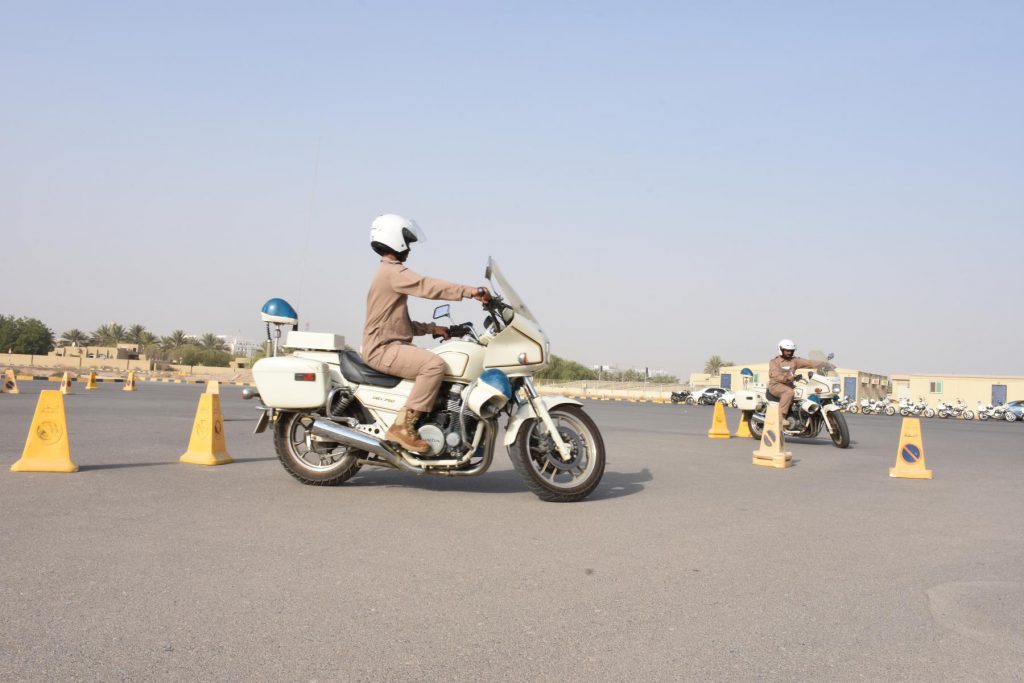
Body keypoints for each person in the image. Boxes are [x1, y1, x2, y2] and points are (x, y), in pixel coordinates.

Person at [362, 213, 490, 453]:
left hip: (388, 345)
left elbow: (398, 322)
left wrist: (432, 328)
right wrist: (469, 291)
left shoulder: (388, 274)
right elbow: (426, 286)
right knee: (433, 365)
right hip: (382, 349)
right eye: (407, 242)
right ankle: (402, 427)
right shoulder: (393, 272)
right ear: (394, 239)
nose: (409, 248)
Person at [768, 339, 827, 428]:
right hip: (776, 385)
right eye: (787, 351)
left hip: (789, 385)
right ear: (781, 350)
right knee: (789, 392)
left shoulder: (794, 360)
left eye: (791, 351)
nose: (789, 353)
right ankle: (781, 417)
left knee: (805, 392)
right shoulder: (774, 362)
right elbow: (775, 375)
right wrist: (787, 378)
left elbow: (809, 363)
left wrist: (824, 364)